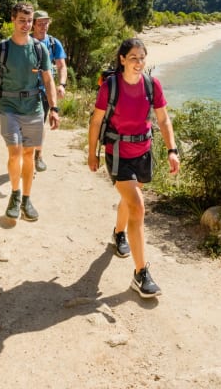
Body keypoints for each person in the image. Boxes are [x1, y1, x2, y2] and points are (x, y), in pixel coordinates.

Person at [87, 38, 180, 298]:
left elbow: (163, 118)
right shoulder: (110, 86)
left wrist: (172, 149)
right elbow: (96, 122)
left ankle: (119, 233)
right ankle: (141, 274)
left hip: (143, 152)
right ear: (122, 60)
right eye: (133, 58)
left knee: (130, 201)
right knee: (138, 206)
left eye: (142, 58)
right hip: (117, 153)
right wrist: (91, 153)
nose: (138, 63)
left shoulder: (152, 85)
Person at [0, 2, 60, 221]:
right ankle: (15, 195)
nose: (26, 25)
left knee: (28, 154)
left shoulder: (39, 48)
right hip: (8, 107)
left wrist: (53, 108)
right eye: (22, 21)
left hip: (34, 108)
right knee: (15, 152)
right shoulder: (1, 49)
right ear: (13, 20)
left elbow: (48, 79)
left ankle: (26, 198)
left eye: (29, 21)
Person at [31, 9, 67, 172]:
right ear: (33, 25)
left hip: (45, 91)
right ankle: (25, 155)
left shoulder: (53, 43)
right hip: (25, 91)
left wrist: (62, 84)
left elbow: (61, 65)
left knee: (39, 124)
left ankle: (38, 155)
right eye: (40, 23)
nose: (44, 26)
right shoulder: (25, 42)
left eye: (46, 23)